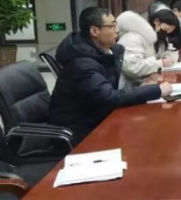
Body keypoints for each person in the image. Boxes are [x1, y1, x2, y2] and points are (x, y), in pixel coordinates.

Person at [48, 7, 172, 140]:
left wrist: (143, 86)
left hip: (100, 118)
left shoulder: (105, 53)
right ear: (94, 31)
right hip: (81, 131)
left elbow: (113, 90)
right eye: (112, 26)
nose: (117, 30)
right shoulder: (82, 64)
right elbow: (110, 97)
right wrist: (157, 90)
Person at [117, 7, 181, 88]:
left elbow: (166, 52)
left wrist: (167, 58)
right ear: (156, 22)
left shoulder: (158, 38)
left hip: (146, 83)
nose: (165, 34)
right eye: (165, 30)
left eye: (168, 33)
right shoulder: (133, 38)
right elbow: (132, 68)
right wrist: (160, 63)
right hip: (130, 87)